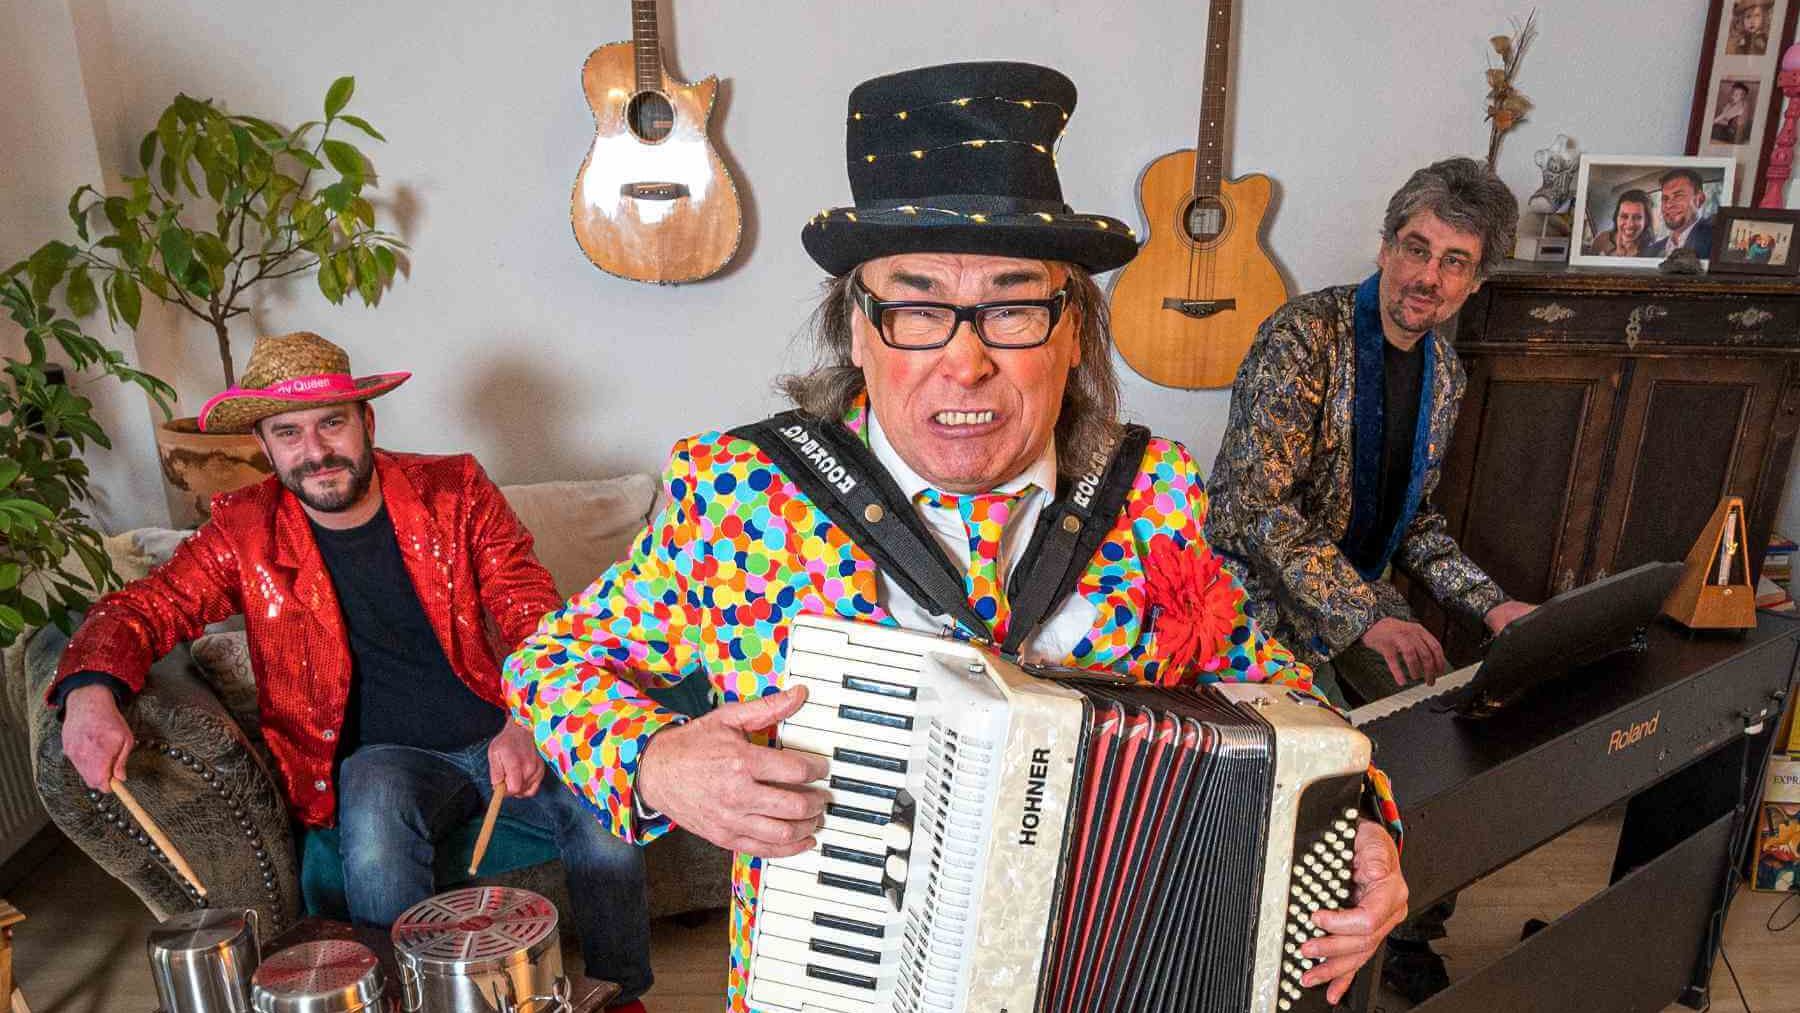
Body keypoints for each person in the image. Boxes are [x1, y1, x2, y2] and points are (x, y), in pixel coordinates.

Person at [503, 61, 1410, 1012]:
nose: (965, 361)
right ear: (858, 331)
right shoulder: (740, 495)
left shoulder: (1153, 492)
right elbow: (549, 663)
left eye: (1013, 307)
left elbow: (1280, 694)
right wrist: (654, 761)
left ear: (1072, 332)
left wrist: (1363, 824)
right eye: (917, 307)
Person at [50, 333, 652, 1011]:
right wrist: (90, 690)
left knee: (606, 803)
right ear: (265, 446)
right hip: (385, 757)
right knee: (371, 824)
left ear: (367, 421)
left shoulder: (454, 488)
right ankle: (404, 1000)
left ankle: (619, 996)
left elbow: (529, 606)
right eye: (289, 432)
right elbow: (143, 608)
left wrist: (530, 717)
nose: (315, 451)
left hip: (500, 724)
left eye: (331, 423)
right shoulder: (243, 530)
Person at [1204, 157, 1536, 1003]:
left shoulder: (1445, 377)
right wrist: (1368, 616)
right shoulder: (1301, 336)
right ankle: (1291, 951)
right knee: (1327, 764)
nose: (1428, 276)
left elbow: (1415, 522)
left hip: (1354, 598)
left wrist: (1495, 604)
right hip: (1252, 599)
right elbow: (1254, 508)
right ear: (1386, 245)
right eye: (1416, 248)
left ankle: (1409, 929)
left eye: (1454, 262)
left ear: (1474, 281)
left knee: (1445, 737)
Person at [1647, 168, 1715, 257]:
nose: (1669, 205)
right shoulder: (1651, 251)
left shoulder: (1715, 239)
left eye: (1678, 196)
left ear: (1700, 200)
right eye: (1665, 198)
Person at [1590, 189, 1656, 257]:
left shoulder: (1653, 250)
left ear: (1646, 221)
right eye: (1624, 216)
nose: (1630, 224)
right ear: (1616, 217)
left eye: (1637, 217)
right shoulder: (1601, 240)